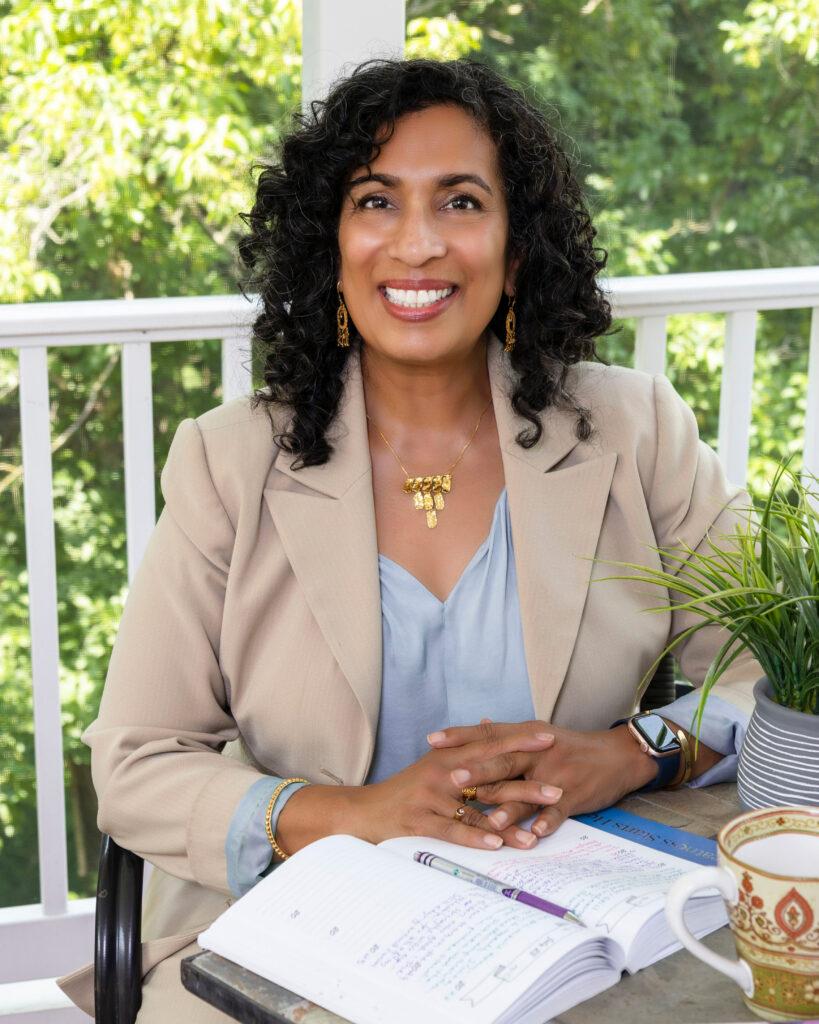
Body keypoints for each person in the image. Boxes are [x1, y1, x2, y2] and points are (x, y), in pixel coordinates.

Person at [60, 59, 758, 1020]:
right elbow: (136, 762)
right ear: (329, 248)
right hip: (292, 932)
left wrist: (635, 751)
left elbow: (775, 677)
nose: (418, 243)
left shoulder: (635, 430)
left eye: (461, 202)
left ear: (516, 250)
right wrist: (351, 817)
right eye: (376, 200)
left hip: (557, 931)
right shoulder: (227, 462)